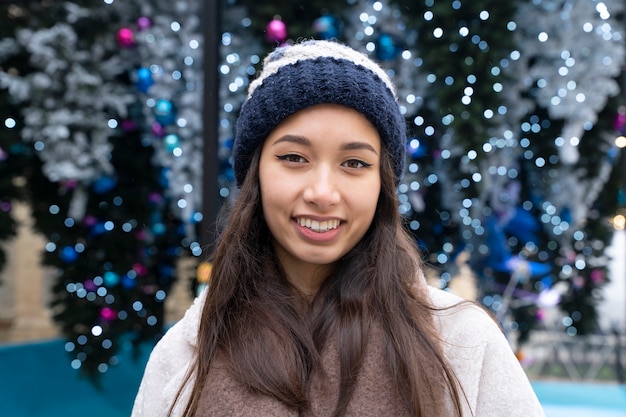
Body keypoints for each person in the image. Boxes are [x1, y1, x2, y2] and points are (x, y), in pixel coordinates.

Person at [131, 39, 545, 417]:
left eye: (354, 163)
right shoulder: (188, 352)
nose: (323, 192)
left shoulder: (460, 343)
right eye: (294, 157)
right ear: (256, 174)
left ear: (382, 184)